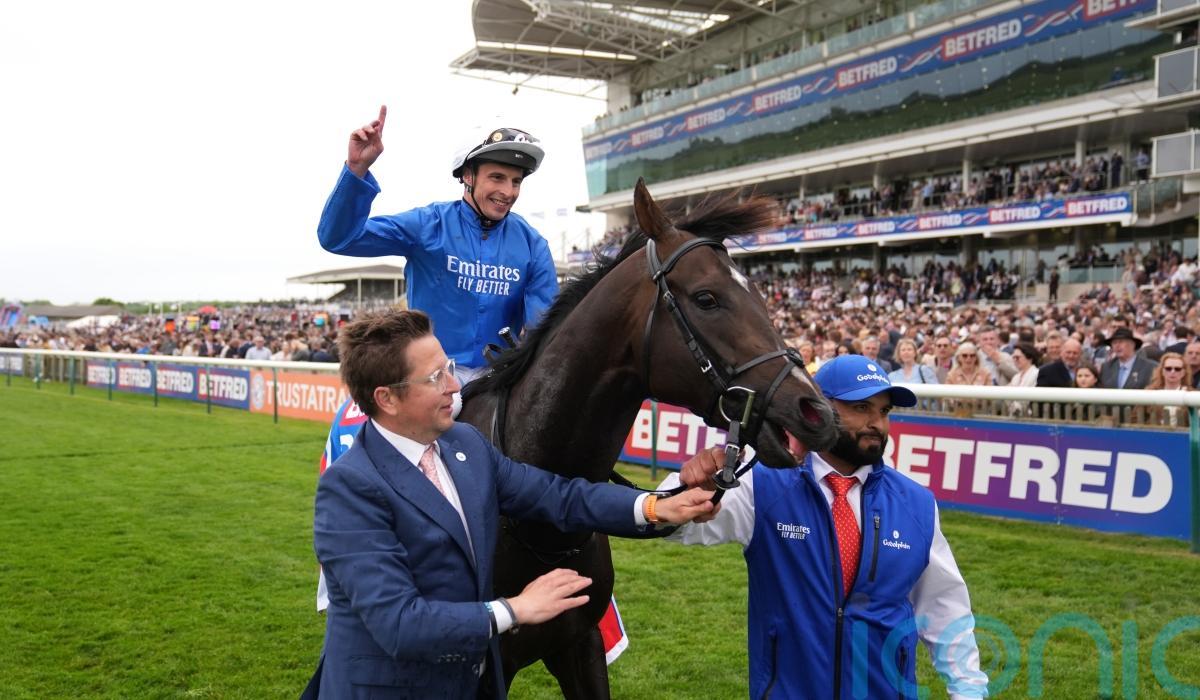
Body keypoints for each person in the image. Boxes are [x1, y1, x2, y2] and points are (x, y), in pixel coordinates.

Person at [303, 310, 716, 699]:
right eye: (434, 377)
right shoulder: (349, 488)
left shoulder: (465, 444)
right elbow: (400, 625)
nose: (454, 386)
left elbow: (557, 496)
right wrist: (516, 609)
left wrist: (654, 507)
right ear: (387, 399)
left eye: (449, 368)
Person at [660, 355, 989, 699]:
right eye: (861, 408)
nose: (876, 423)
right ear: (819, 410)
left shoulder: (916, 503)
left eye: (884, 411)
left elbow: (944, 606)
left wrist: (968, 690)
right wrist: (692, 483)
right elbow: (674, 524)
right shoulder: (764, 484)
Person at [316, 106, 557, 388]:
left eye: (516, 181)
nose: (508, 192)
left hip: (499, 381)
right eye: (497, 178)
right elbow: (338, 238)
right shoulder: (427, 225)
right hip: (430, 377)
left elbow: (544, 327)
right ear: (468, 175)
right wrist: (357, 170)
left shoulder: (533, 244)